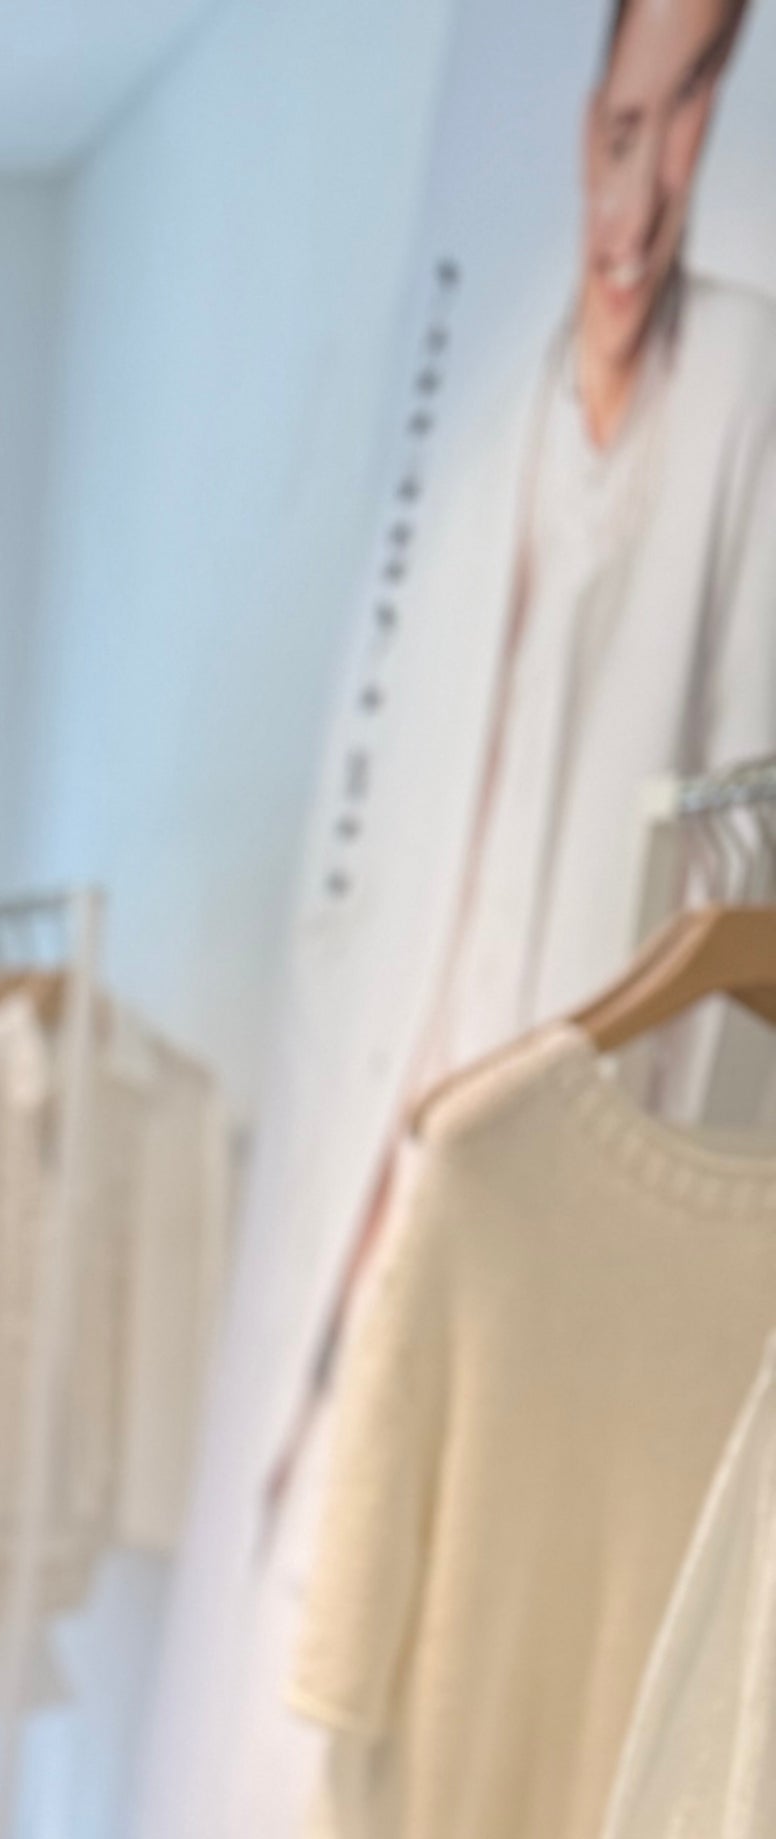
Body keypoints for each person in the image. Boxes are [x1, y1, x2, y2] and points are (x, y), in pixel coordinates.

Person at [417, 0, 776, 1085]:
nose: (642, 203)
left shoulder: (745, 377)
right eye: (624, 134)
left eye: (686, 113)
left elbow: (744, 781)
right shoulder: (503, 435)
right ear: (586, 134)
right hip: (468, 1079)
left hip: (619, 1088)